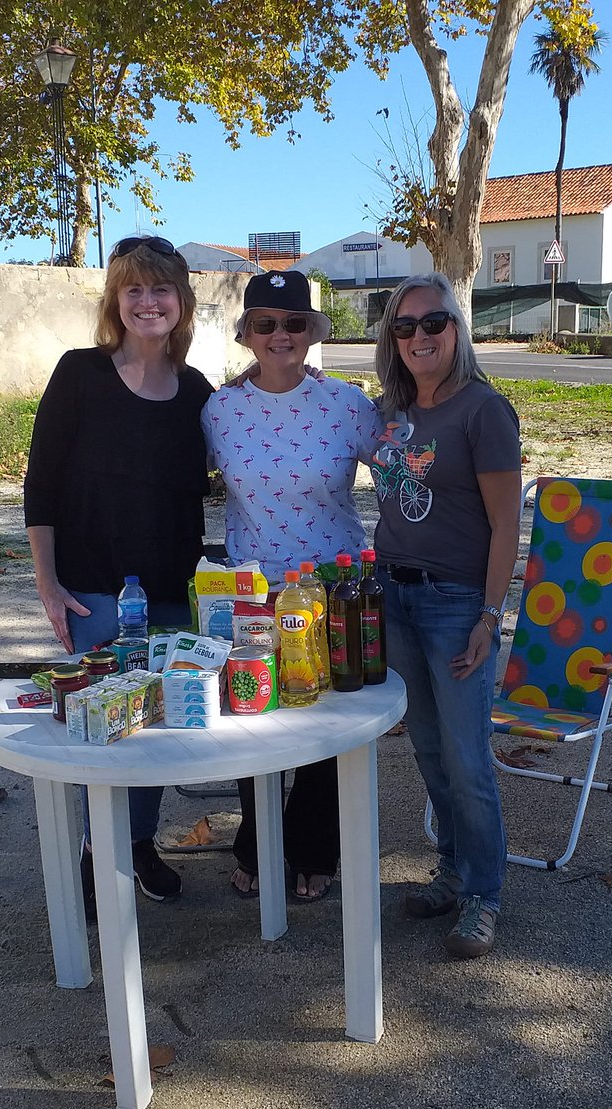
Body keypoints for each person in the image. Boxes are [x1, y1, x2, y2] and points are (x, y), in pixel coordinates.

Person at [23, 235, 212, 912]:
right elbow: (41, 487)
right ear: (115, 301)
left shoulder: (196, 391)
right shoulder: (80, 374)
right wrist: (47, 585)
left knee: (153, 725)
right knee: (101, 732)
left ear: (182, 303)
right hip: (92, 588)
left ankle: (135, 844)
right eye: (133, 289)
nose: (148, 301)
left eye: (161, 289)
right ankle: (96, 853)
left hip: (169, 592)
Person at [202, 270, 382, 902]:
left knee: (323, 726)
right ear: (247, 333)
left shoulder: (348, 405)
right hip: (251, 592)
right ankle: (256, 844)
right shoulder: (219, 410)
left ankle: (313, 849)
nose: (281, 335)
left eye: (295, 323)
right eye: (266, 324)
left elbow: (406, 477)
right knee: (255, 718)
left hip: (333, 589)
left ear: (314, 331)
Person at [370, 272, 522, 959]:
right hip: (394, 596)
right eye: (405, 327)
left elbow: (504, 525)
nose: (420, 336)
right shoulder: (390, 411)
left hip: (456, 602)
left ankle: (484, 897)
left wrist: (490, 616)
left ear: (457, 329)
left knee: (467, 760)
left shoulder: (482, 411)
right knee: (429, 751)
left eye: (434, 323)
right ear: (390, 339)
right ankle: (453, 872)